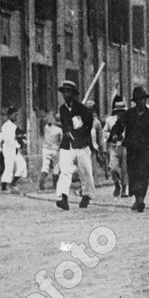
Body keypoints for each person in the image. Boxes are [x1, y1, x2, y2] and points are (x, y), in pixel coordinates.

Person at [109, 86, 149, 212]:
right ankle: (137, 199)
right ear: (135, 101)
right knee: (133, 175)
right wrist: (115, 133)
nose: (141, 102)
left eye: (143, 99)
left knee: (143, 175)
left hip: (147, 150)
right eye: (138, 100)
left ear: (145, 100)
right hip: (132, 150)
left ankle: (140, 200)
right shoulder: (129, 114)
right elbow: (119, 125)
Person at [56, 80, 96, 210]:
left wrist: (79, 133)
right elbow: (65, 124)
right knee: (65, 171)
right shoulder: (62, 109)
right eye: (64, 92)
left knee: (85, 171)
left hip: (81, 144)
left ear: (73, 94)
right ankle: (63, 197)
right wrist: (67, 131)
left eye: (68, 92)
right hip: (67, 144)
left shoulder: (82, 108)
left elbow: (89, 124)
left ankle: (86, 196)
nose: (66, 94)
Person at [102, 96, 129, 197]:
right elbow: (104, 132)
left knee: (124, 169)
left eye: (122, 111)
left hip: (125, 148)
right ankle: (117, 184)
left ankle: (124, 189)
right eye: (118, 111)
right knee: (113, 168)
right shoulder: (110, 121)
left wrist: (124, 136)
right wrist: (111, 136)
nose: (120, 113)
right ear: (115, 112)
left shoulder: (128, 121)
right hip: (114, 148)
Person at [39, 112, 63, 190]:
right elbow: (61, 141)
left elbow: (42, 122)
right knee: (56, 166)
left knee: (45, 166)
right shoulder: (59, 130)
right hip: (55, 149)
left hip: (45, 149)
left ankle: (42, 180)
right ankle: (55, 184)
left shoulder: (47, 127)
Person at [0, 106, 20, 191]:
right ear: (10, 115)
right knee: (9, 167)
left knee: (21, 166)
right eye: (15, 115)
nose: (16, 117)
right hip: (8, 149)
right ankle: (4, 187)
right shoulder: (6, 126)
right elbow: (8, 139)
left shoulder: (13, 126)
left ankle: (13, 183)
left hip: (13, 148)